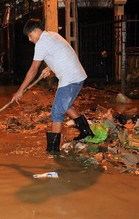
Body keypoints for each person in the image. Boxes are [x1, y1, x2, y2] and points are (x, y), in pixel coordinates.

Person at [12, 18, 94, 155]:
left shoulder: (41, 43)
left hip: (70, 79)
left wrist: (20, 91)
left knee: (56, 112)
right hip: (77, 76)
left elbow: (33, 70)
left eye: (30, 36)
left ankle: (53, 151)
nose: (30, 40)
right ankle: (86, 131)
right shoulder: (53, 35)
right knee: (65, 105)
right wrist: (49, 67)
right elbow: (63, 51)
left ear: (36, 31)